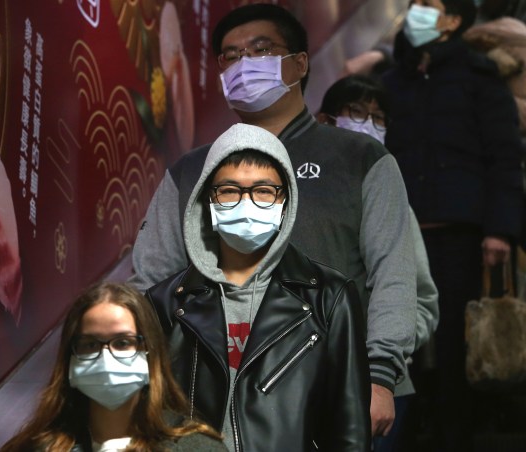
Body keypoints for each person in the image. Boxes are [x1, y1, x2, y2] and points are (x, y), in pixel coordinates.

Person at [129, 3, 417, 439]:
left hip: (337, 388)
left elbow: (393, 273)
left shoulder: (359, 159)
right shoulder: (191, 170)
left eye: (261, 50)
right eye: (230, 55)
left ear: (300, 63)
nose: (244, 63)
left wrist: (379, 374)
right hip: (208, 400)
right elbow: (148, 280)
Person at [145, 123, 371, 451]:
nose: (247, 203)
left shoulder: (328, 297)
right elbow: (151, 420)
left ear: (285, 203)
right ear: (209, 200)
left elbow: (349, 429)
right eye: (230, 191)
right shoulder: (165, 302)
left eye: (264, 191)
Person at [381, 1, 523, 450]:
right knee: (395, 333)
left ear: (454, 21)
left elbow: (504, 157)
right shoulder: (393, 79)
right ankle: (402, 431)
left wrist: (499, 229)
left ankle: (453, 435)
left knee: (451, 342)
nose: (416, 12)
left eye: (429, 5)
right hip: (400, 229)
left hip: (457, 228)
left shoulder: (480, 79)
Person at [316, 74, 441, 452]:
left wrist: (388, 349)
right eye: (356, 111)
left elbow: (423, 300)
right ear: (324, 119)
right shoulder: (288, 187)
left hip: (381, 387)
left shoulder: (394, 199)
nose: (368, 124)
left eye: (378, 117)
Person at [0, 282, 227, 452]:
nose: (106, 356)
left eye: (123, 342)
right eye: (90, 344)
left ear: (150, 353)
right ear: (70, 359)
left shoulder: (197, 447)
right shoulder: (33, 448)